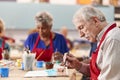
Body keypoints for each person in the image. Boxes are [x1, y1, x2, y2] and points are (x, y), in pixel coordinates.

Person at [65, 6, 120, 80]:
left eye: (81, 27)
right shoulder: (102, 38)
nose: (81, 35)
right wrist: (78, 65)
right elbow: (99, 71)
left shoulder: (112, 39)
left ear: (95, 21)